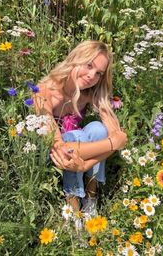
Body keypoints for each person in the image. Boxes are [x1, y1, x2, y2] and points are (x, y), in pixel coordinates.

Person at [33, 40, 127, 224]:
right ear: (76, 59)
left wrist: (84, 166)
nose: (92, 75)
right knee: (75, 136)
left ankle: (90, 199)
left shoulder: (90, 93)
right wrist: (111, 144)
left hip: (78, 155)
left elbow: (120, 136)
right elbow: (59, 147)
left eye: (99, 73)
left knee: (98, 129)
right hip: (50, 156)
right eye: (89, 65)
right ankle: (74, 210)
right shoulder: (44, 91)